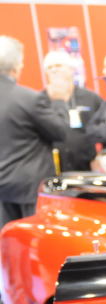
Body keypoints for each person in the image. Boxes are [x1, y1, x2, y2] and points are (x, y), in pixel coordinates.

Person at [0, 36, 66, 226]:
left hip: (3, 188)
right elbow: (59, 132)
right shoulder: (30, 98)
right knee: (35, 237)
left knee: (9, 238)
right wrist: (59, 101)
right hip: (30, 188)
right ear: (15, 67)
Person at [41, 50, 103, 172]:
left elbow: (105, 128)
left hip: (87, 167)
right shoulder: (40, 101)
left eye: (58, 65)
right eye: (49, 67)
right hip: (53, 167)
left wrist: (100, 156)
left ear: (71, 69)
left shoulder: (90, 98)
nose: (54, 70)